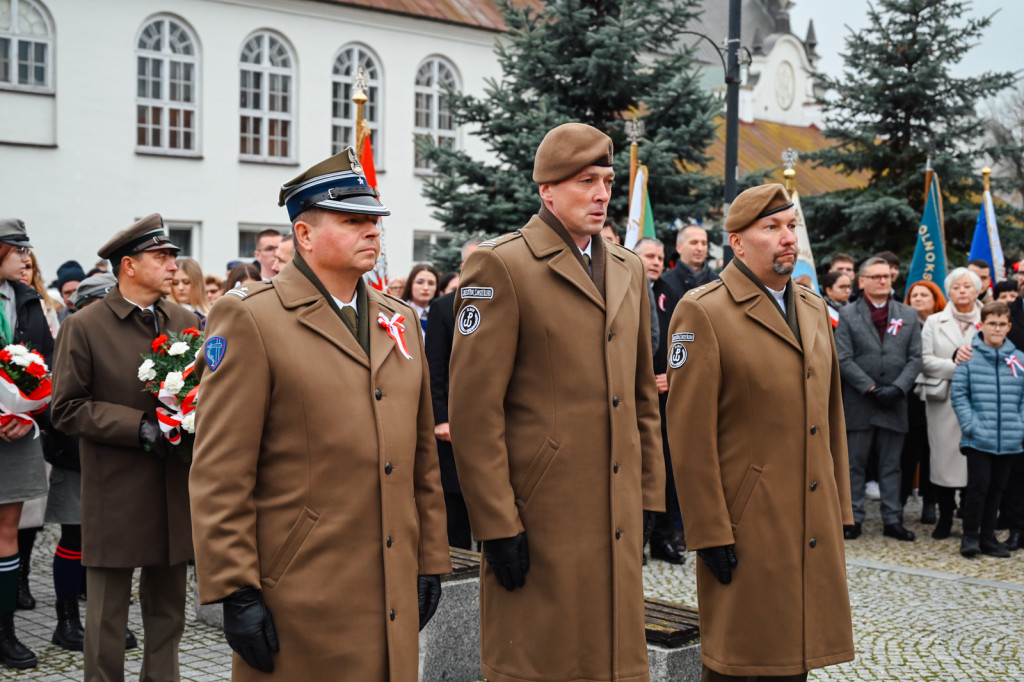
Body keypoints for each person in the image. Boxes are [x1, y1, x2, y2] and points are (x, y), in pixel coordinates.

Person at [190, 148, 450, 680]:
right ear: (304, 236)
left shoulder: (397, 320)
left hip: (391, 580)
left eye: (374, 220)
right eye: (353, 221)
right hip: (303, 588)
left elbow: (421, 456)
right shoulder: (253, 319)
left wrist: (429, 560)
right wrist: (235, 588)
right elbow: (221, 471)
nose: (372, 232)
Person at [449, 122, 664, 682]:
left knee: (613, 660)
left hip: (613, 509)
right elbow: (475, 410)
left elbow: (641, 392)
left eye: (608, 181)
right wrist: (496, 524)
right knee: (539, 662)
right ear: (547, 189)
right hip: (538, 514)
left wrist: (647, 497)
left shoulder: (628, 267)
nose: (600, 194)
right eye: (585, 180)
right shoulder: (502, 265)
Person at [666, 184, 853, 680]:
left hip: (809, 516)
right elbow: (688, 435)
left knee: (796, 658)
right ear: (737, 242)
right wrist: (707, 530)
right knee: (741, 662)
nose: (786, 237)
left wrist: (839, 507)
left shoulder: (812, 307)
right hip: (747, 523)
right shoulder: (703, 310)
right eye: (770, 228)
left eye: (790, 226)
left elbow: (830, 414)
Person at [51, 214, 197, 682]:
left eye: (173, 256)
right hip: (116, 489)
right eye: (162, 257)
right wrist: (138, 425)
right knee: (108, 618)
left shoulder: (185, 319)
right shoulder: (86, 325)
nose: (173, 265)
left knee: (168, 613)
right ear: (128, 266)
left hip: (172, 489)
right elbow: (67, 408)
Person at [42, 272, 118, 653]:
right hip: (77, 454)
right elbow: (63, 401)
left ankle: (104, 621)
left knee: (112, 538)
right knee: (74, 535)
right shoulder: (74, 332)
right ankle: (66, 621)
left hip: (115, 453)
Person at [836, 256, 921, 541]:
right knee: (854, 465)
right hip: (860, 401)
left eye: (886, 276)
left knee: (891, 465)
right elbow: (843, 358)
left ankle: (892, 519)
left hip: (895, 401)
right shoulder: (848, 315)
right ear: (862, 281)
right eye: (876, 277)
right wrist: (871, 388)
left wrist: (898, 388)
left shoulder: (908, 315)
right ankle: (852, 517)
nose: (883, 281)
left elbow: (915, 358)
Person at [0, 219, 53, 670]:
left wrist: (26, 411)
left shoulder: (26, 298)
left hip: (16, 434)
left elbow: (48, 360)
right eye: (18, 249)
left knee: (7, 534)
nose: (27, 257)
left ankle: (5, 631)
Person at [425, 238, 484, 550]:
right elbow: (434, 368)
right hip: (454, 427)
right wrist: (441, 418)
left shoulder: (512, 302)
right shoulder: (444, 308)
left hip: (496, 425)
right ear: (463, 268)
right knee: (456, 505)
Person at [951, 301, 1022, 558]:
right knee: (978, 488)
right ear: (982, 325)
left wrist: (1020, 425)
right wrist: (971, 425)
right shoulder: (969, 356)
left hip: (1010, 438)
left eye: (1002, 324)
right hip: (978, 437)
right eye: (992, 323)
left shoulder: (1019, 360)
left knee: (997, 490)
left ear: (1009, 327)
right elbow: (959, 394)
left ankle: (988, 536)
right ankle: (970, 536)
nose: (997, 329)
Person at [920, 268, 983, 540]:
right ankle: (944, 516)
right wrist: (954, 364)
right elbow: (925, 360)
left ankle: (971, 519)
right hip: (944, 400)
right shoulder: (934, 322)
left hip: (981, 400)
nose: (962, 291)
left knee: (976, 460)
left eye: (967, 286)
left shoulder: (989, 317)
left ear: (977, 290)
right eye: (956, 287)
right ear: (948, 291)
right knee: (944, 461)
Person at [634, 237, 685, 564]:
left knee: (665, 469)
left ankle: (663, 538)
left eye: (659, 256)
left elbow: (684, 341)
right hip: (632, 394)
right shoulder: (621, 286)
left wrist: (673, 375)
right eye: (648, 256)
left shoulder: (671, 293)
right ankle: (634, 540)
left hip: (666, 397)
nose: (654, 261)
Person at [901, 280, 946, 525]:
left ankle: (931, 502)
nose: (918, 298)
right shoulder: (903, 324)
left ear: (935, 298)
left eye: (924, 295)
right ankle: (900, 501)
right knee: (908, 452)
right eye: (914, 295)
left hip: (938, 395)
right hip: (909, 398)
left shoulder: (942, 325)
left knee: (933, 452)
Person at [661, 224, 715, 298]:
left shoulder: (718, 283)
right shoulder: (664, 283)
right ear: (679, 247)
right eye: (694, 243)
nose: (700, 248)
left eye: (704, 243)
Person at [400, 264, 441, 338]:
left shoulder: (442, 313)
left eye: (431, 283)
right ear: (410, 284)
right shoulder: (398, 312)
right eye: (420, 282)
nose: (426, 288)